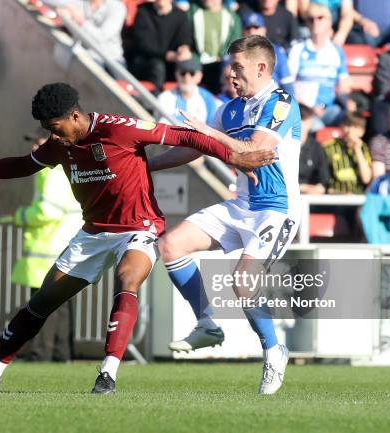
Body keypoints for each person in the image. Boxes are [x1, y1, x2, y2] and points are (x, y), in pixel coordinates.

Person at [0, 82, 276, 394]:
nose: (53, 136)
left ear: (74, 116)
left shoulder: (118, 129)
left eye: (55, 128)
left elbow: (185, 137)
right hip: (94, 232)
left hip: (139, 226)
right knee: (42, 302)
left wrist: (234, 155)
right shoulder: (60, 144)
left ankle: (107, 374)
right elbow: (24, 165)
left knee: (127, 278)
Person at [150, 35, 301, 395]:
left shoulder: (280, 103)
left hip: (276, 210)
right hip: (241, 204)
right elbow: (195, 148)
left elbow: (253, 151)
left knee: (243, 282)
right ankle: (207, 324)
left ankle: (274, 350)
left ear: (261, 68)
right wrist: (147, 165)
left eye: (238, 66)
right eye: (230, 66)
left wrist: (210, 134)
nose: (230, 73)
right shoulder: (230, 109)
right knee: (171, 245)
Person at [11, 134, 83, 362]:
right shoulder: (71, 166)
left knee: (42, 304)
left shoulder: (49, 171)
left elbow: (47, 211)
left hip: (48, 247)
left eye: (39, 143)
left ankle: (40, 354)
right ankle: (63, 355)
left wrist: (21, 216)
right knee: (62, 306)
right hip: (69, 244)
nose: (34, 147)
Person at [288, 3, 351, 128]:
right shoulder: (298, 49)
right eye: (311, 19)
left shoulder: (336, 51)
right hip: (304, 109)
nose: (315, 22)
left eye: (320, 18)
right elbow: (289, 85)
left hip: (329, 109)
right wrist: (308, 107)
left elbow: (344, 87)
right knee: (315, 126)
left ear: (329, 22)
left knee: (349, 120)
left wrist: (350, 106)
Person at [127, 0, 193, 94]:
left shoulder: (180, 16)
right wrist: (166, 55)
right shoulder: (143, 11)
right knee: (158, 67)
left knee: (191, 65)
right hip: (143, 62)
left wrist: (183, 49)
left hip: (171, 64)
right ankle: (154, 102)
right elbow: (142, 44)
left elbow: (184, 40)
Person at [188, 0, 242, 94]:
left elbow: (235, 44)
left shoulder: (232, 17)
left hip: (222, 64)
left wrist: (226, 60)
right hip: (198, 63)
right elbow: (186, 40)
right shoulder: (192, 13)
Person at [56, 0, 127, 68]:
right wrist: (66, 19)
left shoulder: (117, 8)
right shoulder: (82, 2)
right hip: (81, 54)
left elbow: (101, 37)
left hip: (110, 62)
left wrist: (81, 21)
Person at [242, 11, 294, 95]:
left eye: (256, 27)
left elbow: (287, 83)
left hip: (272, 98)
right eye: (248, 28)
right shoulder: (236, 54)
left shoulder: (277, 52)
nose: (252, 31)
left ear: (264, 30)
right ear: (242, 31)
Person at [156, 58, 221, 125]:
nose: (187, 78)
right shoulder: (164, 98)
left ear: (199, 76)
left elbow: (212, 128)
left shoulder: (208, 99)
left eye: (192, 73)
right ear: (176, 75)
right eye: (182, 73)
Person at [323, 114, 372, 194]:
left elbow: (366, 179)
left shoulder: (364, 148)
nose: (350, 131)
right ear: (341, 127)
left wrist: (357, 150)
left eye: (355, 127)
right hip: (334, 198)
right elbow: (324, 183)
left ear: (362, 132)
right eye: (348, 125)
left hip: (358, 199)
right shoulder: (328, 148)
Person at [298, 104, 329, 194]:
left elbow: (324, 179)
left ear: (310, 122)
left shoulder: (316, 147)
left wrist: (320, 188)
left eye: (304, 119)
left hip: (311, 197)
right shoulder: (280, 145)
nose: (300, 123)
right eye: (299, 118)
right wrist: (302, 187)